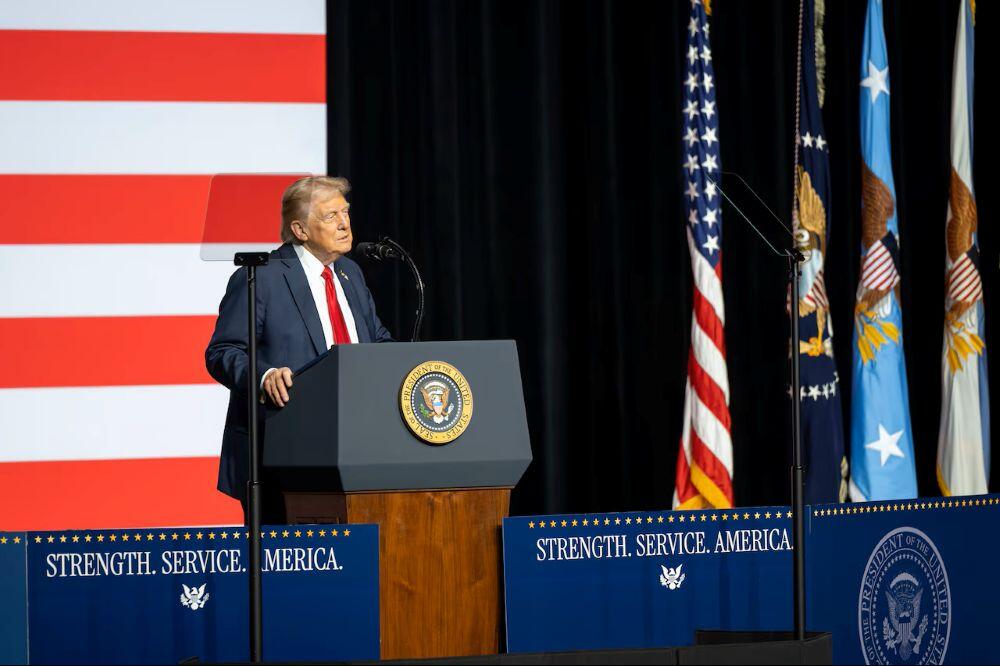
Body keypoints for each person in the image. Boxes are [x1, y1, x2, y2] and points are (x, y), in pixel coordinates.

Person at [205, 176, 392, 519]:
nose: (344, 223)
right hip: (283, 451)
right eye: (330, 216)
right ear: (300, 229)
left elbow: (377, 340)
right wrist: (264, 376)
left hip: (358, 446)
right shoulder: (263, 276)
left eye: (345, 212)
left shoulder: (350, 273)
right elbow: (223, 351)